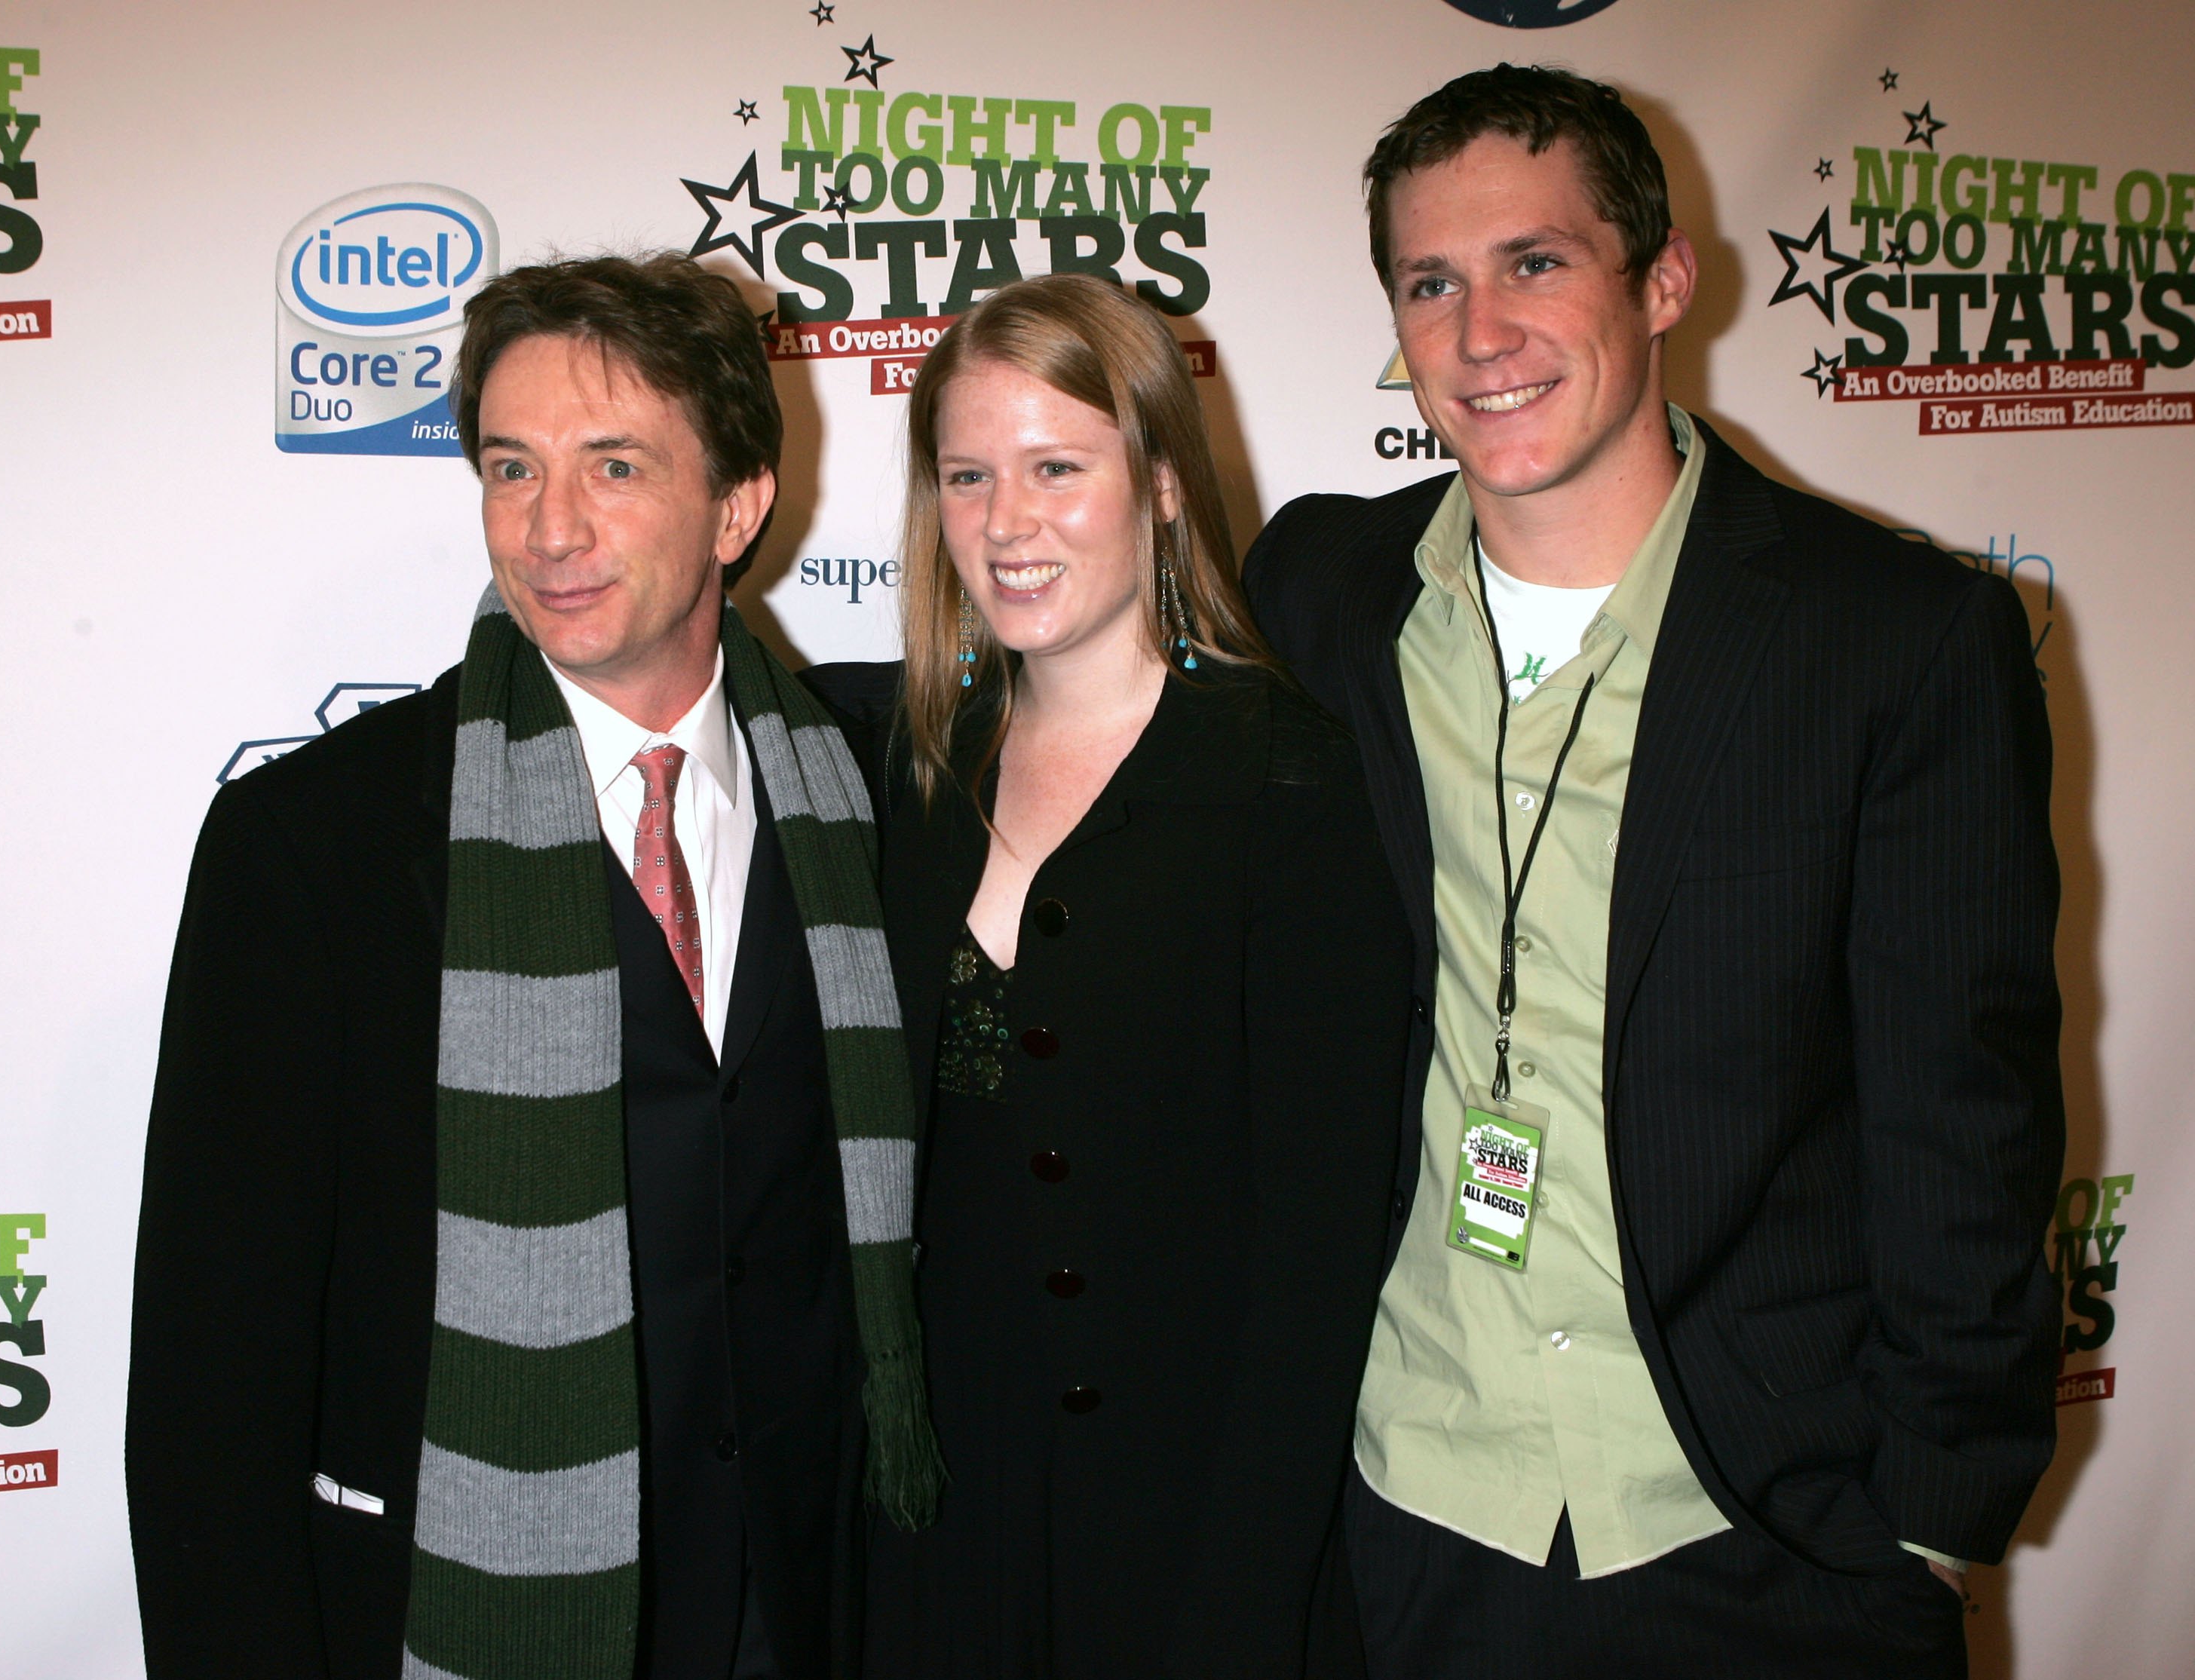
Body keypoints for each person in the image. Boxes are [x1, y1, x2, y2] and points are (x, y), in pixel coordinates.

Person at [1241, 63, 2064, 1679]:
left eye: (1535, 262)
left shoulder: (1891, 640)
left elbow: (1965, 1110)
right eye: (1432, 282)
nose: (1481, 333)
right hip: (1410, 1504)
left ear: (1664, 277)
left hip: (1756, 1522)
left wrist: (1924, 1524)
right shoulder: (1323, 588)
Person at [126, 253, 940, 1680]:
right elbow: (211, 1388)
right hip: (469, 1612)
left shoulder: (863, 804)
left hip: (802, 1612)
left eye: (614, 464)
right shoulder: (316, 846)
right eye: (513, 468)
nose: (550, 527)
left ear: (738, 504)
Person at [805, 272, 1412, 1678]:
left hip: (1200, 1540)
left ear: (1162, 487)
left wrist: (1244, 1597)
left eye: (1056, 468)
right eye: (969, 474)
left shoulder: (1290, 780)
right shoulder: (894, 773)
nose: (1006, 522)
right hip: (939, 1536)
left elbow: (1321, 1261)